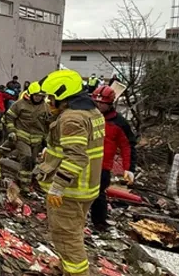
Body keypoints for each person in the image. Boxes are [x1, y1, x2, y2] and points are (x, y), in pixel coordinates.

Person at [34, 70, 105, 276]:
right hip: (87, 188)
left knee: (66, 238)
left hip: (70, 191)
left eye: (51, 97)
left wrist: (57, 187)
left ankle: (75, 272)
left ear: (62, 96)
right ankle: (68, 269)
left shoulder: (71, 119)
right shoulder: (92, 113)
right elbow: (82, 148)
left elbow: (76, 158)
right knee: (73, 233)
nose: (48, 101)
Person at [90, 85, 137, 232]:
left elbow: (127, 146)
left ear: (110, 104)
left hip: (103, 166)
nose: (98, 106)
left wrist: (129, 168)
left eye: (102, 103)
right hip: (84, 161)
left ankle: (99, 223)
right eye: (96, 103)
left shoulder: (119, 123)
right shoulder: (87, 116)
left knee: (98, 195)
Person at [4, 81, 50, 190]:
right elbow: (9, 117)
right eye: (36, 95)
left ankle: (25, 181)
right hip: (21, 136)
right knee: (26, 156)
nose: (38, 98)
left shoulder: (45, 107)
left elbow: (48, 124)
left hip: (37, 140)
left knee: (33, 162)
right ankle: (23, 184)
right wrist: (11, 131)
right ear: (30, 94)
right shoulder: (20, 104)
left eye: (40, 96)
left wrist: (47, 139)